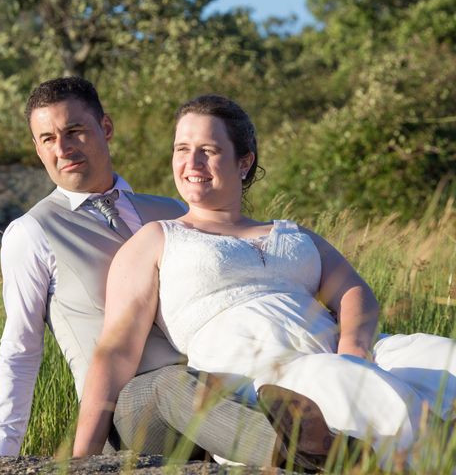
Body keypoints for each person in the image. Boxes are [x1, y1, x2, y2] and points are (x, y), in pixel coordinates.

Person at [73, 94, 456, 469]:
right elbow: (116, 349)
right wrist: (80, 460)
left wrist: (354, 346)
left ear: (244, 161)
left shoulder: (290, 233)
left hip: (336, 347)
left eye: (208, 149)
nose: (192, 162)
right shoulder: (158, 239)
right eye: (182, 149)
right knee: (342, 381)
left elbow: (354, 290)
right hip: (263, 370)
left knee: (441, 357)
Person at [0, 78, 278, 464]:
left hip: (215, 383)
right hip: (128, 412)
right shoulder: (32, 232)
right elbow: (20, 349)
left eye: (74, 131)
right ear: (37, 148)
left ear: (105, 128)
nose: (63, 148)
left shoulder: (173, 210)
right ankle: (308, 456)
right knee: (169, 385)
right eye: (47, 139)